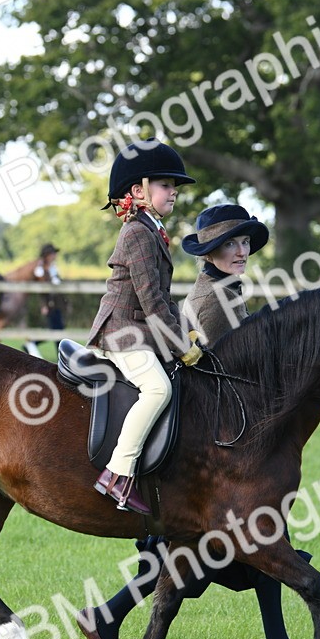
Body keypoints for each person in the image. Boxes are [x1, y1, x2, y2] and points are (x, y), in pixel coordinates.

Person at [79, 203, 318, 639]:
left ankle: (107, 619)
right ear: (209, 253)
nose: (241, 250)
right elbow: (224, 375)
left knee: (235, 544)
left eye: (245, 242)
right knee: (242, 540)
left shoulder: (230, 290)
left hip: (213, 426)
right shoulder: (214, 300)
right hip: (206, 435)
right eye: (231, 244)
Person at [87, 139, 202, 516]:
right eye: (166, 185)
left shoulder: (152, 229)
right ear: (139, 191)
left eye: (174, 186)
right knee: (157, 389)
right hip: (121, 333)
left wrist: (187, 332)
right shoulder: (137, 232)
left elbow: (166, 300)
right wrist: (179, 346)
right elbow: (151, 302)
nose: (173, 192)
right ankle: (118, 474)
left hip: (137, 330)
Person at [24, 242, 65, 358]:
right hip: (48, 304)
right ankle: (33, 343)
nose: (54, 256)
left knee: (56, 330)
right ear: (47, 255)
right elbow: (42, 289)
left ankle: (32, 343)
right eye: (52, 253)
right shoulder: (40, 269)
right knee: (56, 331)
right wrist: (44, 305)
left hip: (55, 303)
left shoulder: (53, 267)